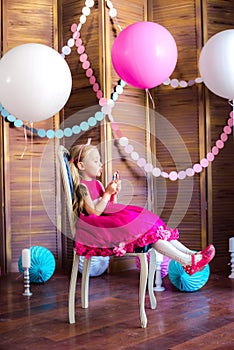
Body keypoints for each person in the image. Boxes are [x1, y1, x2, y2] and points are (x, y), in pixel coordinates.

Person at [68, 139, 215, 276]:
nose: (101, 164)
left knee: (150, 224)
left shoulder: (98, 184)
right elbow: (94, 212)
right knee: (144, 230)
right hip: (98, 227)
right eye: (96, 161)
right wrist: (107, 193)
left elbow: (109, 206)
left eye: (100, 160)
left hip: (109, 220)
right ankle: (187, 261)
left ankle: (190, 254)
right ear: (81, 166)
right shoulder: (82, 187)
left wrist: (112, 194)